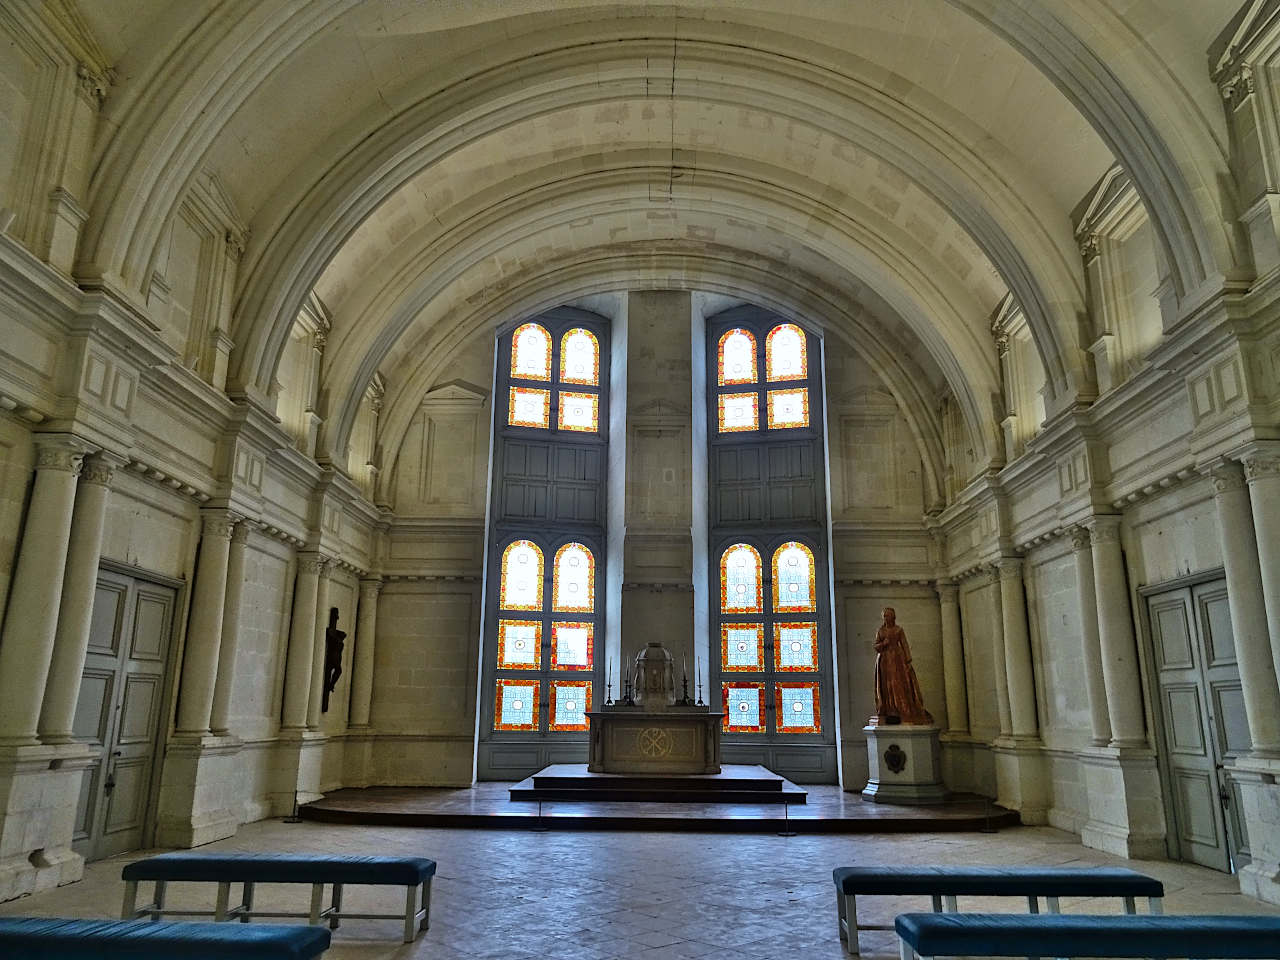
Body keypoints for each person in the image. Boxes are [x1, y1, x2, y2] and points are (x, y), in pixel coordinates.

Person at [872, 606, 933, 725]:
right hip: (884, 661)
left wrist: (908, 661)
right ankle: (889, 709)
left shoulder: (898, 630)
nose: (886, 618)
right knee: (886, 686)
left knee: (899, 684)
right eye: (884, 616)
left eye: (888, 615)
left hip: (897, 660)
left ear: (893, 617)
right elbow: (876, 646)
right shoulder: (881, 631)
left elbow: (904, 644)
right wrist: (883, 644)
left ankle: (903, 708)